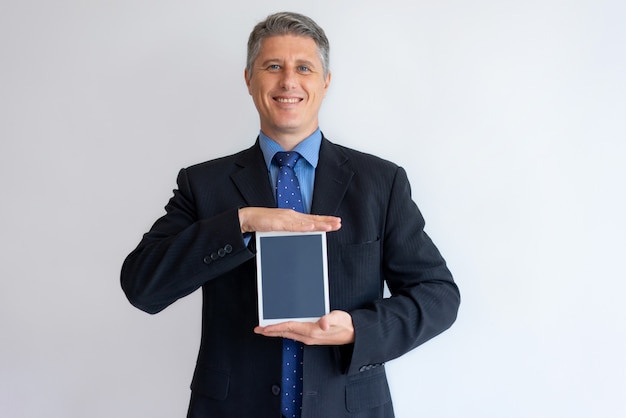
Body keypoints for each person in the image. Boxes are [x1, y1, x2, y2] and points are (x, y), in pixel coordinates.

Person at [121, 11, 460, 418]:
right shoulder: (204, 185)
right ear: (249, 79)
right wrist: (242, 223)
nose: (288, 82)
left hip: (346, 408)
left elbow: (438, 296)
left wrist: (357, 330)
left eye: (304, 68)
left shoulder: (380, 183)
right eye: (273, 67)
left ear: (325, 81)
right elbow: (142, 286)